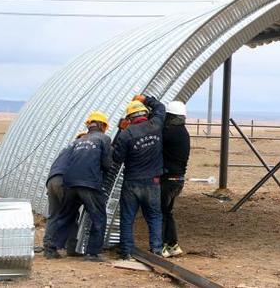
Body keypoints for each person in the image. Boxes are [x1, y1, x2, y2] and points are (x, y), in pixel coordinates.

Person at [51, 111, 112, 262]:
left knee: (65, 216)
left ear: (89, 125)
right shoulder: (104, 138)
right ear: (103, 126)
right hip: (89, 183)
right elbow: (107, 164)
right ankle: (92, 253)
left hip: (70, 183)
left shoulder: (79, 140)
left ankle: (52, 248)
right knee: (98, 217)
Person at [113, 94, 166, 259]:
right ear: (145, 113)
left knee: (127, 219)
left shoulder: (126, 134)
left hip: (132, 182)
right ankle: (156, 250)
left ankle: (126, 252)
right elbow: (160, 108)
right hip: (153, 181)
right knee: (154, 216)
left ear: (129, 118)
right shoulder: (155, 125)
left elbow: (116, 158)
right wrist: (146, 99)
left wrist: (120, 130)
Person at [159, 100, 190, 258]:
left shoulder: (170, 132)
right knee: (168, 212)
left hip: (168, 180)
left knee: (160, 213)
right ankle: (173, 244)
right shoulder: (183, 132)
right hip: (178, 180)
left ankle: (161, 246)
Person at [43, 143, 79, 259]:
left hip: (52, 180)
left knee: (53, 215)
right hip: (64, 181)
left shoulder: (66, 149)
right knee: (71, 214)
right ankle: (71, 247)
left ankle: (48, 249)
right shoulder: (82, 149)